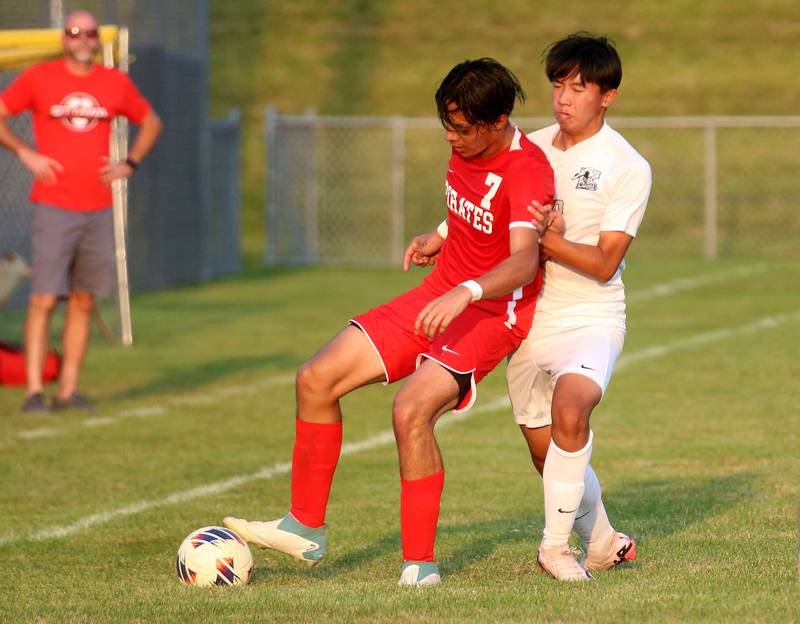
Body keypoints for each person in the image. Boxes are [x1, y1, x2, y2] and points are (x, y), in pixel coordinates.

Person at [223, 58, 554, 586]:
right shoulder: (465, 144)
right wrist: (442, 235)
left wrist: (466, 292)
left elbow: (522, 258)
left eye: (462, 128)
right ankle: (306, 526)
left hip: (492, 312)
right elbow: (478, 202)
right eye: (446, 124)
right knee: (315, 379)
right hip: (437, 295)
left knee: (410, 410)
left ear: (496, 122)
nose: (451, 137)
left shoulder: (529, 168)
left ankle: (420, 567)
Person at [405, 33, 651, 582]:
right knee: (547, 453)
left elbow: (606, 262)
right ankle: (605, 539)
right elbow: (491, 203)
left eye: (579, 87)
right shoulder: (530, 148)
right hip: (526, 315)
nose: (564, 98)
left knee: (572, 409)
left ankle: (554, 550)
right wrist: (441, 235)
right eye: (558, 85)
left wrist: (549, 240)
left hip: (590, 315)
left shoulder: (626, 165)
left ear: (607, 95)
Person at [0, 10, 162, 413]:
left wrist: (130, 163)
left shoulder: (113, 82)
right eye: (75, 32)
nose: (83, 39)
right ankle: (34, 391)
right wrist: (27, 153)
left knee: (84, 301)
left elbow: (151, 122)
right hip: (54, 205)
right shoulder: (41, 78)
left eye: (90, 33)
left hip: (97, 208)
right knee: (43, 299)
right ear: (64, 39)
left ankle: (67, 390)